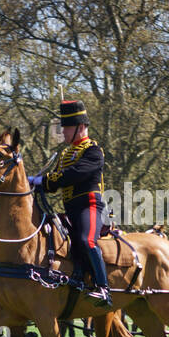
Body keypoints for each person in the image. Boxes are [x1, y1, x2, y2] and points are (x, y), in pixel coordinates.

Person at [28, 99, 111, 307]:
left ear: (80, 128)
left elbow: (72, 175)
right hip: (70, 210)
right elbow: (55, 179)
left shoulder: (93, 151)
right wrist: (31, 183)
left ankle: (103, 288)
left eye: (67, 128)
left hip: (89, 207)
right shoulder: (65, 154)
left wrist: (42, 181)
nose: (63, 132)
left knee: (86, 240)